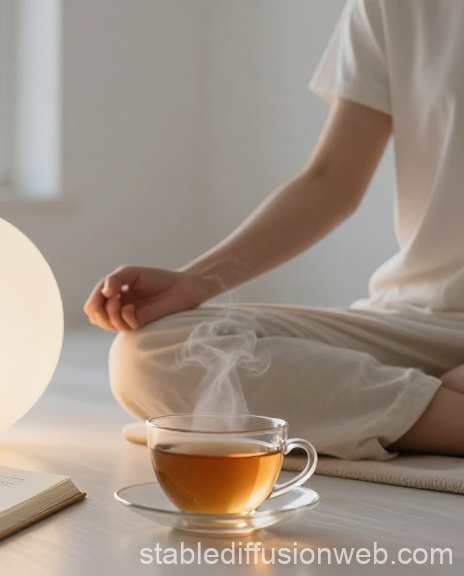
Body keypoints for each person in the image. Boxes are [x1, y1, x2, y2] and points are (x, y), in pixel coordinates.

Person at [86, 0, 464, 460]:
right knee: (149, 356)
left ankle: (426, 416)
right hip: (416, 319)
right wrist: (194, 281)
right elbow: (330, 180)